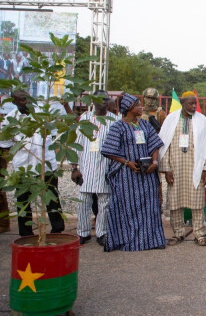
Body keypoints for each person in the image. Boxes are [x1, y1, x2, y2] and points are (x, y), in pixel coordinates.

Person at [101, 93, 165, 251]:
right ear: (128, 108)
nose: (140, 107)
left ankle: (150, 240)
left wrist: (155, 162)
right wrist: (126, 162)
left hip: (146, 174)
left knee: (149, 206)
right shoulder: (118, 127)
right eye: (137, 105)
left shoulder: (145, 124)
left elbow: (155, 144)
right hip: (127, 175)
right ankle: (128, 239)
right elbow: (108, 150)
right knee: (128, 207)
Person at [0, 90, 65, 236]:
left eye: (28, 98)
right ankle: (26, 234)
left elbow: (54, 132)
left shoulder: (44, 116)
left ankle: (57, 229)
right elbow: (5, 143)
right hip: (24, 168)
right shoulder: (10, 120)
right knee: (23, 201)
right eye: (22, 100)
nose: (26, 102)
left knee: (51, 198)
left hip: (46, 165)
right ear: (14, 102)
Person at [159, 92, 206, 247]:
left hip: (195, 167)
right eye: (190, 104)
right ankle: (178, 233)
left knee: (197, 201)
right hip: (175, 168)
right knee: (175, 202)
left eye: (195, 104)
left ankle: (199, 233)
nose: (194, 106)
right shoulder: (171, 119)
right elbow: (164, 144)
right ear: (182, 103)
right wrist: (166, 169)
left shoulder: (201, 120)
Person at [71, 90, 117, 246]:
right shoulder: (85, 118)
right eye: (101, 99)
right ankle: (83, 232)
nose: (104, 101)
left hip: (105, 167)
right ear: (93, 101)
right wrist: (74, 168)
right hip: (86, 167)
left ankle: (102, 233)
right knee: (83, 201)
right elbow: (76, 143)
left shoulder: (114, 120)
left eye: (106, 99)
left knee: (104, 202)